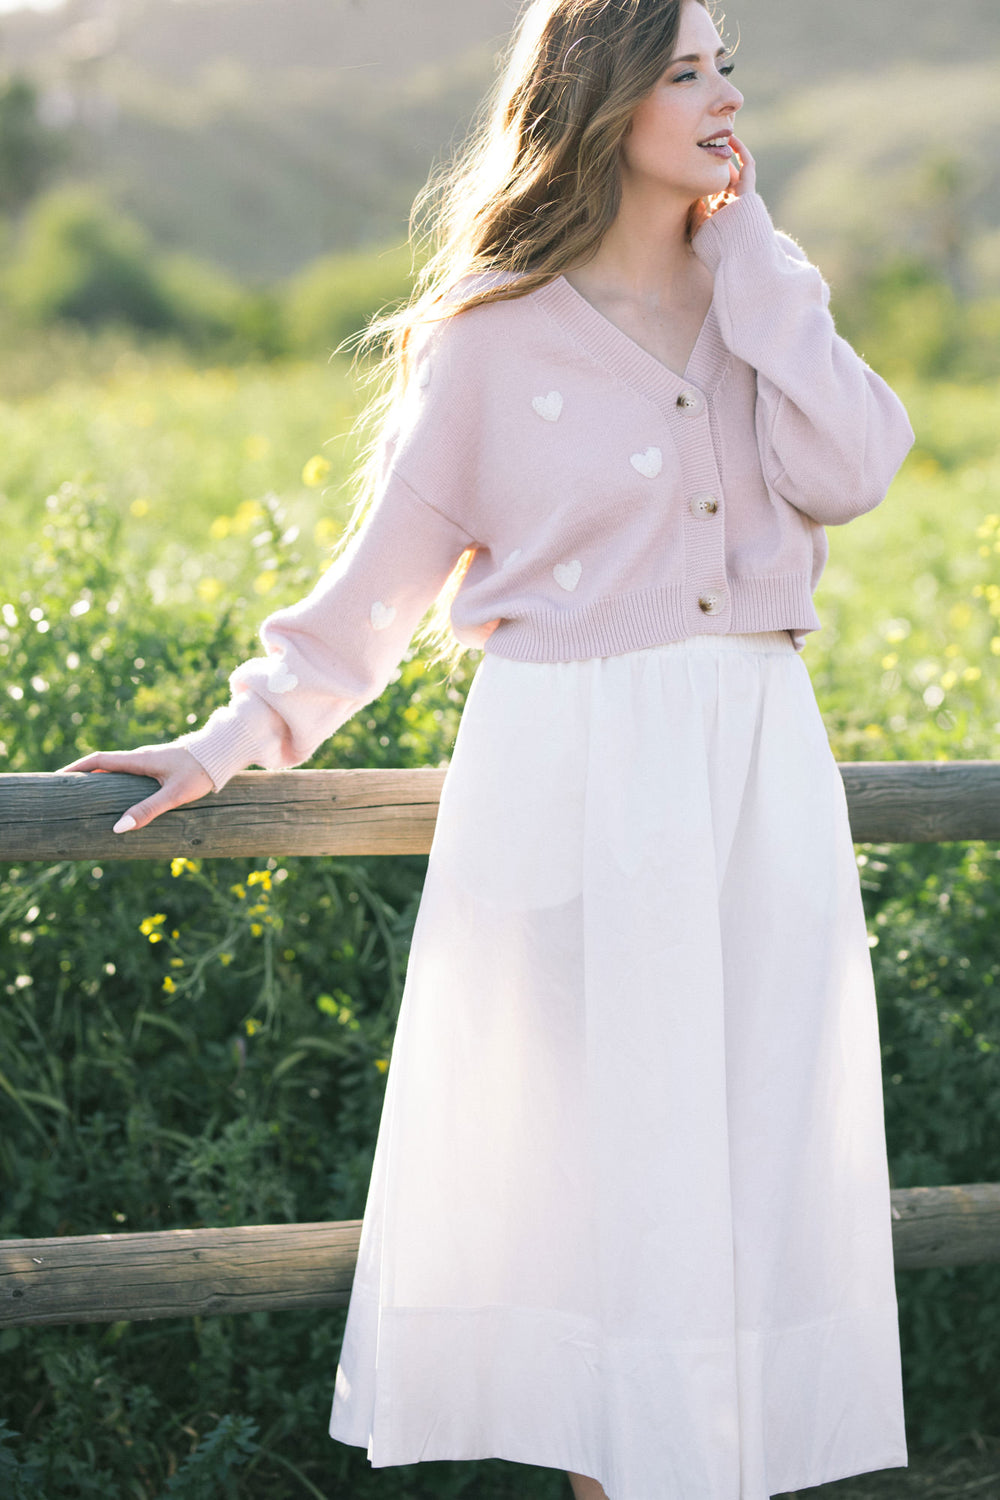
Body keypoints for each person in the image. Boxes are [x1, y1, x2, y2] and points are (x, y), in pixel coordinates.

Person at [62, 1, 916, 1495]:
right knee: (603, 1204)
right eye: (685, 70)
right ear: (603, 101)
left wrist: (761, 272)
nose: (723, 95)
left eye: (727, 66)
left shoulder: (761, 298)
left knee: (757, 1172)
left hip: (754, 775)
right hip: (573, 778)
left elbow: (854, 467)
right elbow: (373, 597)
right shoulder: (492, 339)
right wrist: (235, 733)